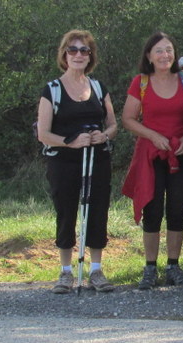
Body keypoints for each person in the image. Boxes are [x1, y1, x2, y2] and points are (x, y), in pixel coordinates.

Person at [36, 30, 118, 294]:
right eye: (73, 50)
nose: (79, 55)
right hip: (64, 161)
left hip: (97, 158)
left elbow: (113, 125)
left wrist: (102, 135)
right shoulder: (52, 90)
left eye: (84, 50)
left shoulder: (97, 86)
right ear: (64, 54)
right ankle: (65, 272)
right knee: (66, 211)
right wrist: (70, 141)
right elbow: (43, 133)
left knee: (97, 211)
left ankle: (96, 270)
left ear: (90, 56)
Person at [121, 32, 183, 290]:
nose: (165, 55)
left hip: (180, 153)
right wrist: (152, 135)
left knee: (176, 209)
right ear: (149, 57)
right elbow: (128, 119)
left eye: (169, 50)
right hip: (150, 155)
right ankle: (150, 268)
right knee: (152, 211)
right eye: (159, 51)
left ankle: (173, 267)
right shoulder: (140, 82)